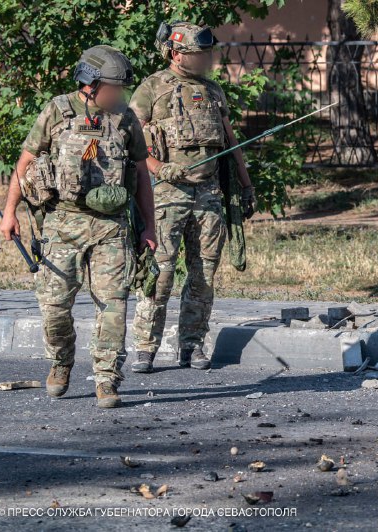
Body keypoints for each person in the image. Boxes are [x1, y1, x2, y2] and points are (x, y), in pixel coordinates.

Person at [0, 45, 157, 408]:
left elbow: (142, 176)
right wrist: (9, 214)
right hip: (63, 224)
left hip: (111, 227)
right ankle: (61, 362)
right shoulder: (57, 110)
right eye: (111, 87)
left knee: (113, 305)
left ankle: (106, 378)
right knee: (54, 307)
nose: (116, 95)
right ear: (89, 82)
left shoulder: (125, 119)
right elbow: (25, 164)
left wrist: (148, 226)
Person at [129, 21, 255, 373]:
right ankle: (145, 347)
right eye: (197, 54)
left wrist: (246, 185)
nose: (204, 60)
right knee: (161, 273)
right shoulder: (152, 88)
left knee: (203, 275)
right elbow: (134, 145)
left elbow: (231, 143)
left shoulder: (214, 91)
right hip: (166, 194)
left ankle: (192, 345)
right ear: (175, 52)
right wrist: (158, 168)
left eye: (205, 54)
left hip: (208, 194)